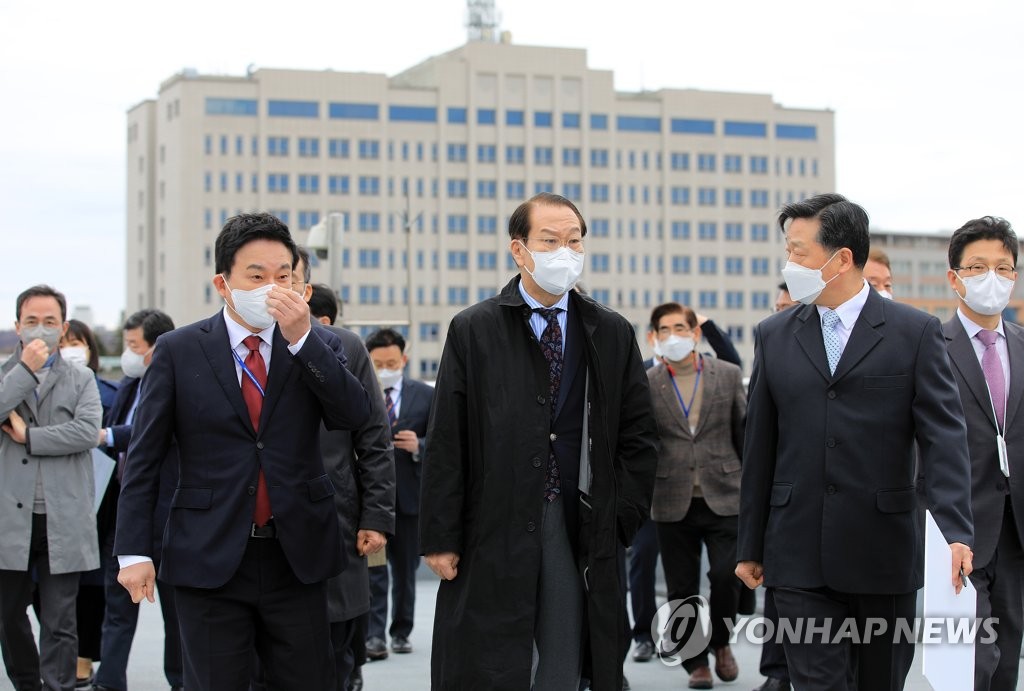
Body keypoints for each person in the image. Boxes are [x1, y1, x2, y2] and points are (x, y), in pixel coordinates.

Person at [114, 212, 371, 690]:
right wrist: (133, 551)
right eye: (257, 276)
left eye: (284, 276)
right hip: (208, 553)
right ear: (223, 282)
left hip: (298, 554)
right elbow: (145, 457)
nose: (272, 287)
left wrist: (302, 340)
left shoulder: (318, 344)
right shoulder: (179, 350)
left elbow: (354, 415)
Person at [420, 192, 659, 690]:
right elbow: (447, 438)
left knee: (565, 653)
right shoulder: (475, 328)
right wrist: (440, 535)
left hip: (580, 520)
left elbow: (639, 435)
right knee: (489, 657)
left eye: (574, 241)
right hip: (493, 518)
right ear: (519, 249)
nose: (564, 252)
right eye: (550, 241)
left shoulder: (610, 330)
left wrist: (622, 517)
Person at [737, 193, 974, 691]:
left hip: (883, 554)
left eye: (799, 252)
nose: (789, 263)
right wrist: (750, 544)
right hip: (797, 554)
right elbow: (760, 447)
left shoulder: (914, 333)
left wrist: (956, 530)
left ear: (841, 258)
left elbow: (943, 437)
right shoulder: (774, 335)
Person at [295, 256, 394, 691]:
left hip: (335, 521)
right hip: (257, 534)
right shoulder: (228, 350)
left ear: (305, 288)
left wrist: (375, 517)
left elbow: (373, 439)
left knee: (336, 649)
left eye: (286, 276)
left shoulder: (344, 347)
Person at [0, 285, 103, 691]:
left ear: (63, 329)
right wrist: (24, 372)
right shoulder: (7, 376)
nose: (40, 330)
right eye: (31, 322)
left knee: (61, 620)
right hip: (10, 516)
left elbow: (86, 432)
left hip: (65, 515)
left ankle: (57, 686)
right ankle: (28, 683)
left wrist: (30, 436)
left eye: (48, 322)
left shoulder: (82, 377)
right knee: (8, 615)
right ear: (17, 327)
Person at [940, 216, 1023, 691]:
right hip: (959, 528)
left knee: (1008, 654)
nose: (992, 277)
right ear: (955, 278)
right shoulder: (930, 346)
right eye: (977, 267)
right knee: (972, 659)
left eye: (1003, 268)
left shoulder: (1023, 345)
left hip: (1016, 527)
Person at [647, 302, 746, 689]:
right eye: (665, 330)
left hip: (725, 494)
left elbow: (744, 434)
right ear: (655, 337)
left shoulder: (727, 374)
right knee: (681, 587)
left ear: (695, 333)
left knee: (726, 576)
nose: (673, 336)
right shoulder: (649, 382)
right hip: (671, 498)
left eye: (680, 328)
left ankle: (721, 642)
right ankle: (695, 663)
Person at [92, 309, 183, 691]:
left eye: (134, 346)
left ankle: (181, 681)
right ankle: (109, 681)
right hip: (126, 514)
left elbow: (147, 431)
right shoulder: (130, 383)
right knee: (117, 608)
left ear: (156, 348)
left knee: (177, 617)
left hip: (168, 516)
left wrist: (108, 435)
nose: (128, 354)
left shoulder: (183, 383)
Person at [364, 328, 433, 660]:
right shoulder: (361, 391)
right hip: (374, 504)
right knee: (374, 571)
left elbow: (446, 441)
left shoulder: (426, 394)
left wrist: (418, 445)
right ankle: (374, 635)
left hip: (408, 501)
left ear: (404, 359)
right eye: (378, 363)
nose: (385, 369)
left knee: (405, 573)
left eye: (391, 362)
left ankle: (401, 632)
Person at [57, 319, 119, 687]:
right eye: (63, 342)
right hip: (52, 500)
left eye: (76, 342)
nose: (70, 348)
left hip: (99, 497)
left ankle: (82, 658)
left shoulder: (109, 392)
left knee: (90, 586)